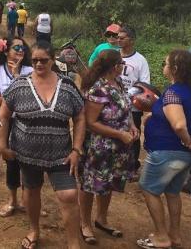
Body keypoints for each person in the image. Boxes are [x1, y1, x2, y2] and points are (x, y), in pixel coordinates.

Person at [0, 41, 85, 249]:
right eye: (35, 60)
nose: (38, 64)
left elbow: (80, 116)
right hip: (26, 153)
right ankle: (34, 229)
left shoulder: (67, 85)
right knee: (31, 191)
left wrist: (76, 149)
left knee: (69, 194)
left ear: (53, 60)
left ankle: (74, 242)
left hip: (61, 154)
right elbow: (4, 115)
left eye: (43, 60)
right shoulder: (19, 85)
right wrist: (2, 146)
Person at [137, 50, 191, 249]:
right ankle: (174, 235)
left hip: (166, 151)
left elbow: (179, 125)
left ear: (174, 69)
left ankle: (160, 236)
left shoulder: (173, 93)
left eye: (165, 64)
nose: (163, 67)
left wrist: (188, 141)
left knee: (149, 188)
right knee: (172, 192)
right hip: (181, 156)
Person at [79, 49, 139, 245]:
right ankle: (85, 223)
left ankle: (101, 218)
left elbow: (125, 108)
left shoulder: (118, 83)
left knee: (108, 182)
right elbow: (91, 122)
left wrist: (132, 125)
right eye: (122, 63)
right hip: (100, 147)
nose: (123, 66)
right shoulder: (98, 88)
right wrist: (119, 134)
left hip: (119, 147)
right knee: (90, 184)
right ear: (115, 66)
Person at [0, 36, 33, 217]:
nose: (20, 51)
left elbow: (35, 96)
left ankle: (27, 200)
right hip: (7, 122)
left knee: (29, 162)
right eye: (16, 48)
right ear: (5, 51)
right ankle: (13, 200)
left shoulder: (30, 70)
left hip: (28, 122)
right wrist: (19, 98)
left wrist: (16, 78)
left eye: (23, 48)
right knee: (11, 162)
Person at [117, 26, 150, 171]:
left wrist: (128, 94)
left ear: (131, 40)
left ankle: (132, 166)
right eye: (118, 37)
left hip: (133, 106)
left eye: (122, 38)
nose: (118, 40)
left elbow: (144, 83)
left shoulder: (140, 60)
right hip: (113, 104)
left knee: (133, 135)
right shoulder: (114, 56)